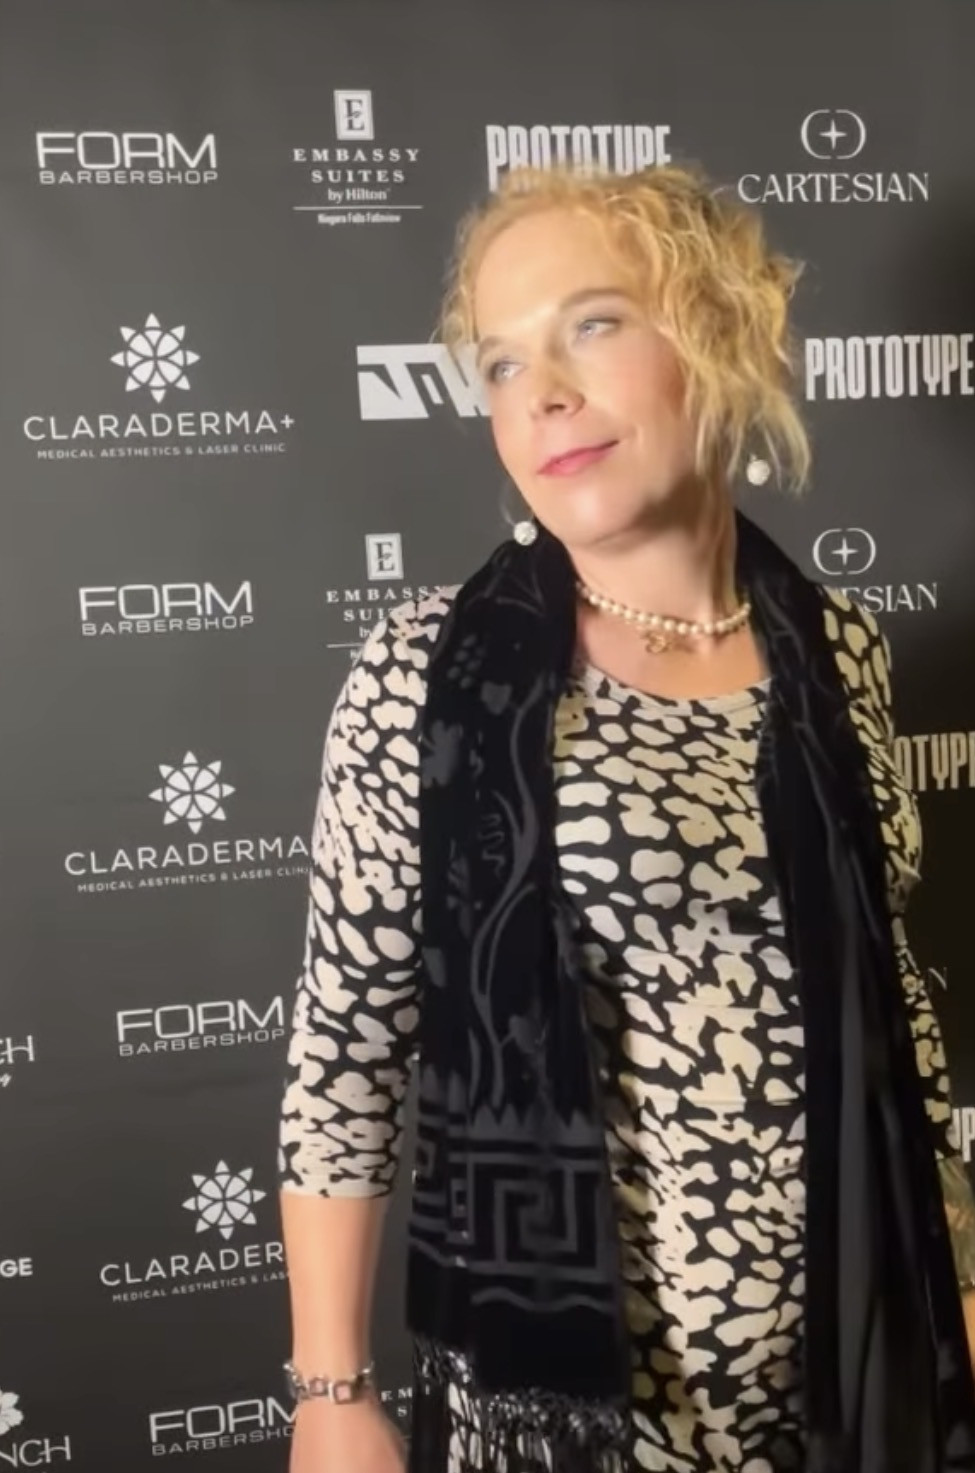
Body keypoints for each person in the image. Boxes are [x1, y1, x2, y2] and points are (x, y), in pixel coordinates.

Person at [277, 161, 975, 1473]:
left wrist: (960, 1285)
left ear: (719, 328)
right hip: (581, 1417)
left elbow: (899, 1026)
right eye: (501, 362)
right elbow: (345, 1049)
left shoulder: (840, 649)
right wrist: (331, 1388)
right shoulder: (430, 676)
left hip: (852, 1389)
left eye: (592, 324)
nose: (540, 390)